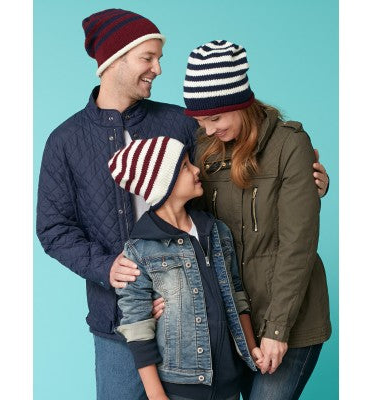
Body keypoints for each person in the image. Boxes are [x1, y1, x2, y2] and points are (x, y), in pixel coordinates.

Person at [36, 7, 329, 400]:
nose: (158, 69)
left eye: (159, 58)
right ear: (114, 60)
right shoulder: (64, 141)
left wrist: (307, 185)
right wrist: (107, 268)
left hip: (201, 313)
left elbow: (235, 178)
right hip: (120, 318)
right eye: (148, 58)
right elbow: (53, 228)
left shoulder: (182, 122)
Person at [181, 40, 332, 400]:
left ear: (240, 103)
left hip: (292, 320)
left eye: (215, 118)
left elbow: (298, 244)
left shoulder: (289, 145)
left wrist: (277, 329)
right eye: (200, 121)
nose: (208, 129)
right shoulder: (204, 150)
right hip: (236, 324)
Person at [108, 136, 261, 400]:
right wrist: (156, 395)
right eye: (185, 167)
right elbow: (137, 326)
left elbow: (237, 295)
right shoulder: (139, 250)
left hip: (229, 384)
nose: (196, 170)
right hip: (181, 388)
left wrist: (251, 348)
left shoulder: (217, 231)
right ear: (163, 184)